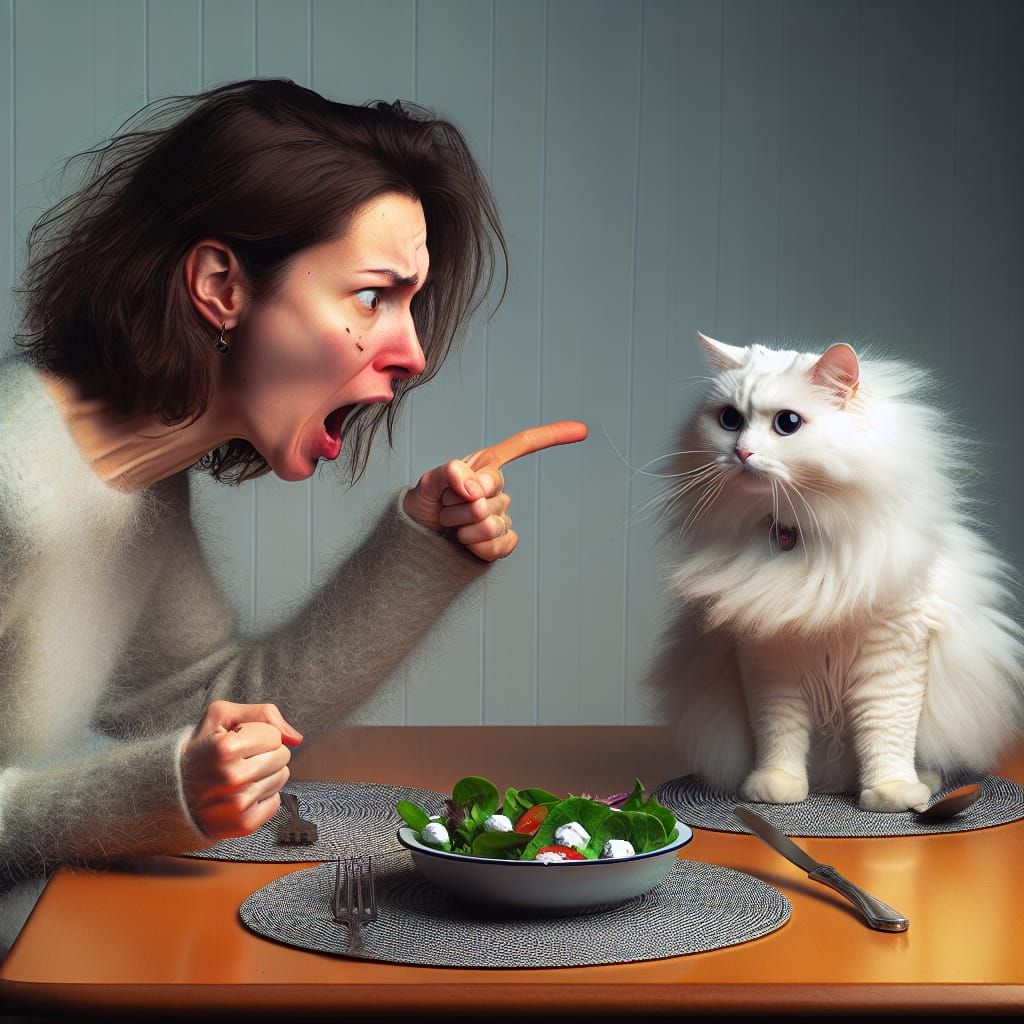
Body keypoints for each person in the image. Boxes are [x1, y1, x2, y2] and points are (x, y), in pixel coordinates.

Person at [0, 79, 586, 951]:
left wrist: (425, 546)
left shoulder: (138, 484)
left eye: (412, 303)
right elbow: (167, 767)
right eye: (372, 297)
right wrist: (155, 795)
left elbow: (202, 712)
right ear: (220, 286)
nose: (416, 352)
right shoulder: (15, 484)